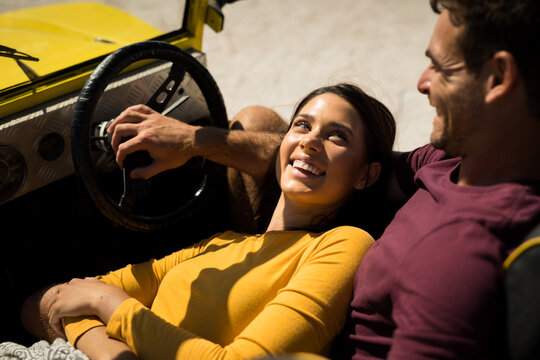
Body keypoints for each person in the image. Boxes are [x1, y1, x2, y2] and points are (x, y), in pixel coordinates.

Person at [23, 83, 397, 360]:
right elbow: (78, 293)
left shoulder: (343, 244)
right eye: (302, 125)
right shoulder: (224, 242)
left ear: (365, 175)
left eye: (337, 136)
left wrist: (113, 308)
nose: (311, 142)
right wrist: (107, 349)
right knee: (33, 296)